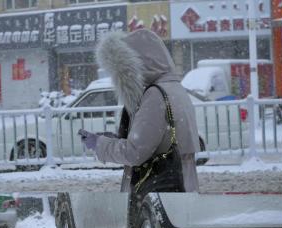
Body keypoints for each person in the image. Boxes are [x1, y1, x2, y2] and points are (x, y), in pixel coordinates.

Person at [79, 28, 200, 194]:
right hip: (182, 185)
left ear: (138, 65)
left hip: (160, 192)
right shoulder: (176, 89)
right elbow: (156, 140)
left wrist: (99, 144)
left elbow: (135, 152)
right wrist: (116, 140)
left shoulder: (155, 95)